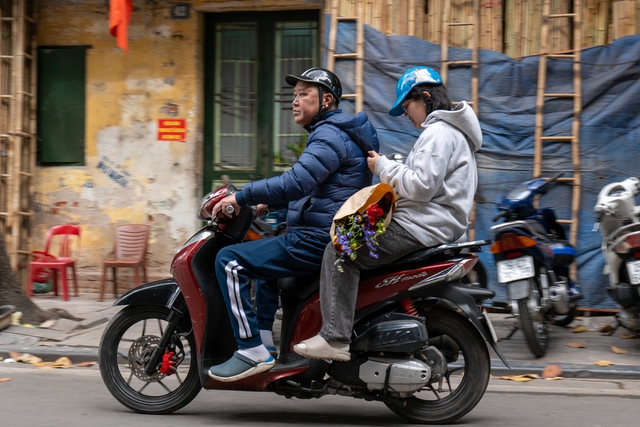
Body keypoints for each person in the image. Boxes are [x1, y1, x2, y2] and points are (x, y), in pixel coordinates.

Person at [293, 65, 482, 361]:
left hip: (420, 225)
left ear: (426, 97)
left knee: (340, 249)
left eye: (407, 106)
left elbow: (421, 187)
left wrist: (383, 167)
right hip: (432, 223)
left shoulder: (439, 132)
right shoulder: (452, 133)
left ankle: (335, 337)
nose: (407, 115)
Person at [207, 67, 379, 382]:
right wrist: (267, 203)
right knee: (266, 268)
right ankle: (265, 342)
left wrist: (242, 197)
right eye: (294, 95)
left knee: (229, 261)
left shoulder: (329, 134)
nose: (295, 102)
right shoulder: (334, 132)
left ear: (326, 100)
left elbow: (296, 182)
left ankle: (250, 350)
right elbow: (320, 189)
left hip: (317, 239)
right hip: (324, 235)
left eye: (304, 95)